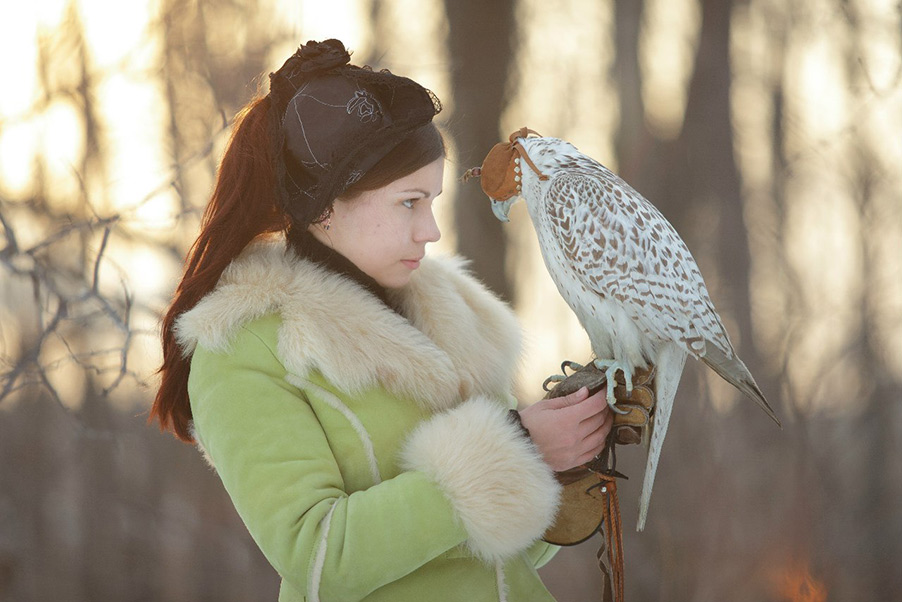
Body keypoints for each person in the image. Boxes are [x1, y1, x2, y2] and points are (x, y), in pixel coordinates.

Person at [151, 39, 613, 602]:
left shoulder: (452, 319)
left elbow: (497, 553)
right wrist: (515, 445)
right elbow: (318, 558)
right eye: (408, 202)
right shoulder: (246, 346)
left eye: (433, 202)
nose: (431, 231)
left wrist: (569, 459)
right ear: (325, 205)